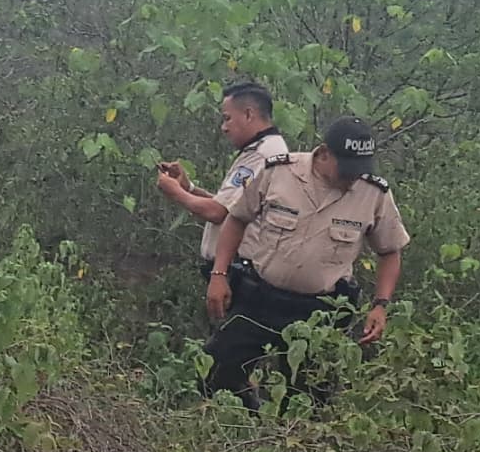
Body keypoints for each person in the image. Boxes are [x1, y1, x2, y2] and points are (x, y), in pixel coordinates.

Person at [205, 115, 406, 406]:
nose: (352, 179)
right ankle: (244, 426)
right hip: (259, 298)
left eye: (358, 171)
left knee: (307, 401)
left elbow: (390, 250)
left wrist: (381, 305)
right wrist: (219, 274)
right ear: (323, 154)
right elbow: (236, 219)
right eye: (346, 169)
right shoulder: (279, 172)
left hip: (319, 312)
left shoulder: (373, 193)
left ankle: (286, 444)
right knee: (215, 377)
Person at [153, 81, 290, 313]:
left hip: (243, 273)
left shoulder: (262, 156)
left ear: (248, 114)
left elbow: (218, 213)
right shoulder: (261, 149)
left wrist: (174, 192)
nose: (223, 127)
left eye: (227, 118)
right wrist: (188, 188)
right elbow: (230, 206)